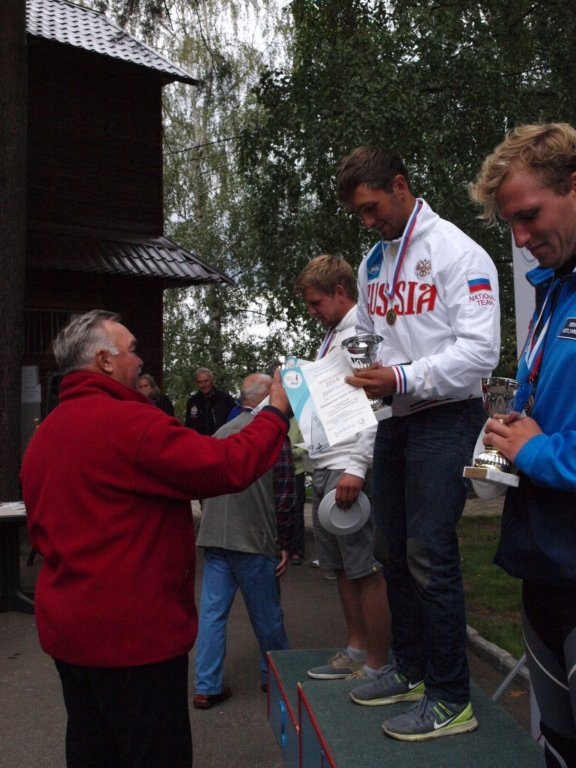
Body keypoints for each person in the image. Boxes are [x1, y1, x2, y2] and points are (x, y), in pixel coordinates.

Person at [19, 310, 292, 768]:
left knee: (91, 747)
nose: (140, 360)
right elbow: (227, 465)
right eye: (132, 350)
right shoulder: (130, 424)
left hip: (70, 633)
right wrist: (275, 413)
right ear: (105, 361)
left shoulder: (47, 434)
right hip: (134, 640)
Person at [337, 147, 500, 741]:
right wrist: (349, 372)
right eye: (359, 214)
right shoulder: (372, 264)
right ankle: (410, 671)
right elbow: (365, 335)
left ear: (401, 186)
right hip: (395, 419)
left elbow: (481, 353)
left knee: (430, 553)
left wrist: (403, 376)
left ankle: (452, 697)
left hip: (447, 416)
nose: (368, 222)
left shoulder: (459, 252)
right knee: (391, 550)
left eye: (372, 208)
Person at [469, 122, 576, 767]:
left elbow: (549, 444)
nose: (519, 237)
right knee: (557, 744)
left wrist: (538, 453)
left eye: (529, 215)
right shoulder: (554, 288)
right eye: (510, 222)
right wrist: (509, 435)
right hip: (545, 556)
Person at [294, 254, 391, 684]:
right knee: (338, 565)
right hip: (325, 463)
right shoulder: (333, 335)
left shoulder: (360, 333)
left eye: (316, 302)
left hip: (349, 466)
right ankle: (355, 649)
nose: (311, 311)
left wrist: (357, 465)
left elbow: (375, 405)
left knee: (364, 568)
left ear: (339, 291)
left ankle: (378, 662)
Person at [193, 373, 295, 708]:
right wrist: (286, 543)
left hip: (215, 536)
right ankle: (275, 678)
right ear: (267, 398)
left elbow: (204, 484)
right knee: (266, 616)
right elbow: (284, 495)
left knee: (212, 614)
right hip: (254, 538)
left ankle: (206, 685)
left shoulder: (222, 432)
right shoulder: (273, 434)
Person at [184, 367, 236, 434]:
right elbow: (188, 427)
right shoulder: (192, 402)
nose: (203, 385)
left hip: (221, 438)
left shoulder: (225, 399)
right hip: (199, 439)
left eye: (206, 381)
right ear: (196, 384)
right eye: (200, 382)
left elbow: (235, 423)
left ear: (212, 380)